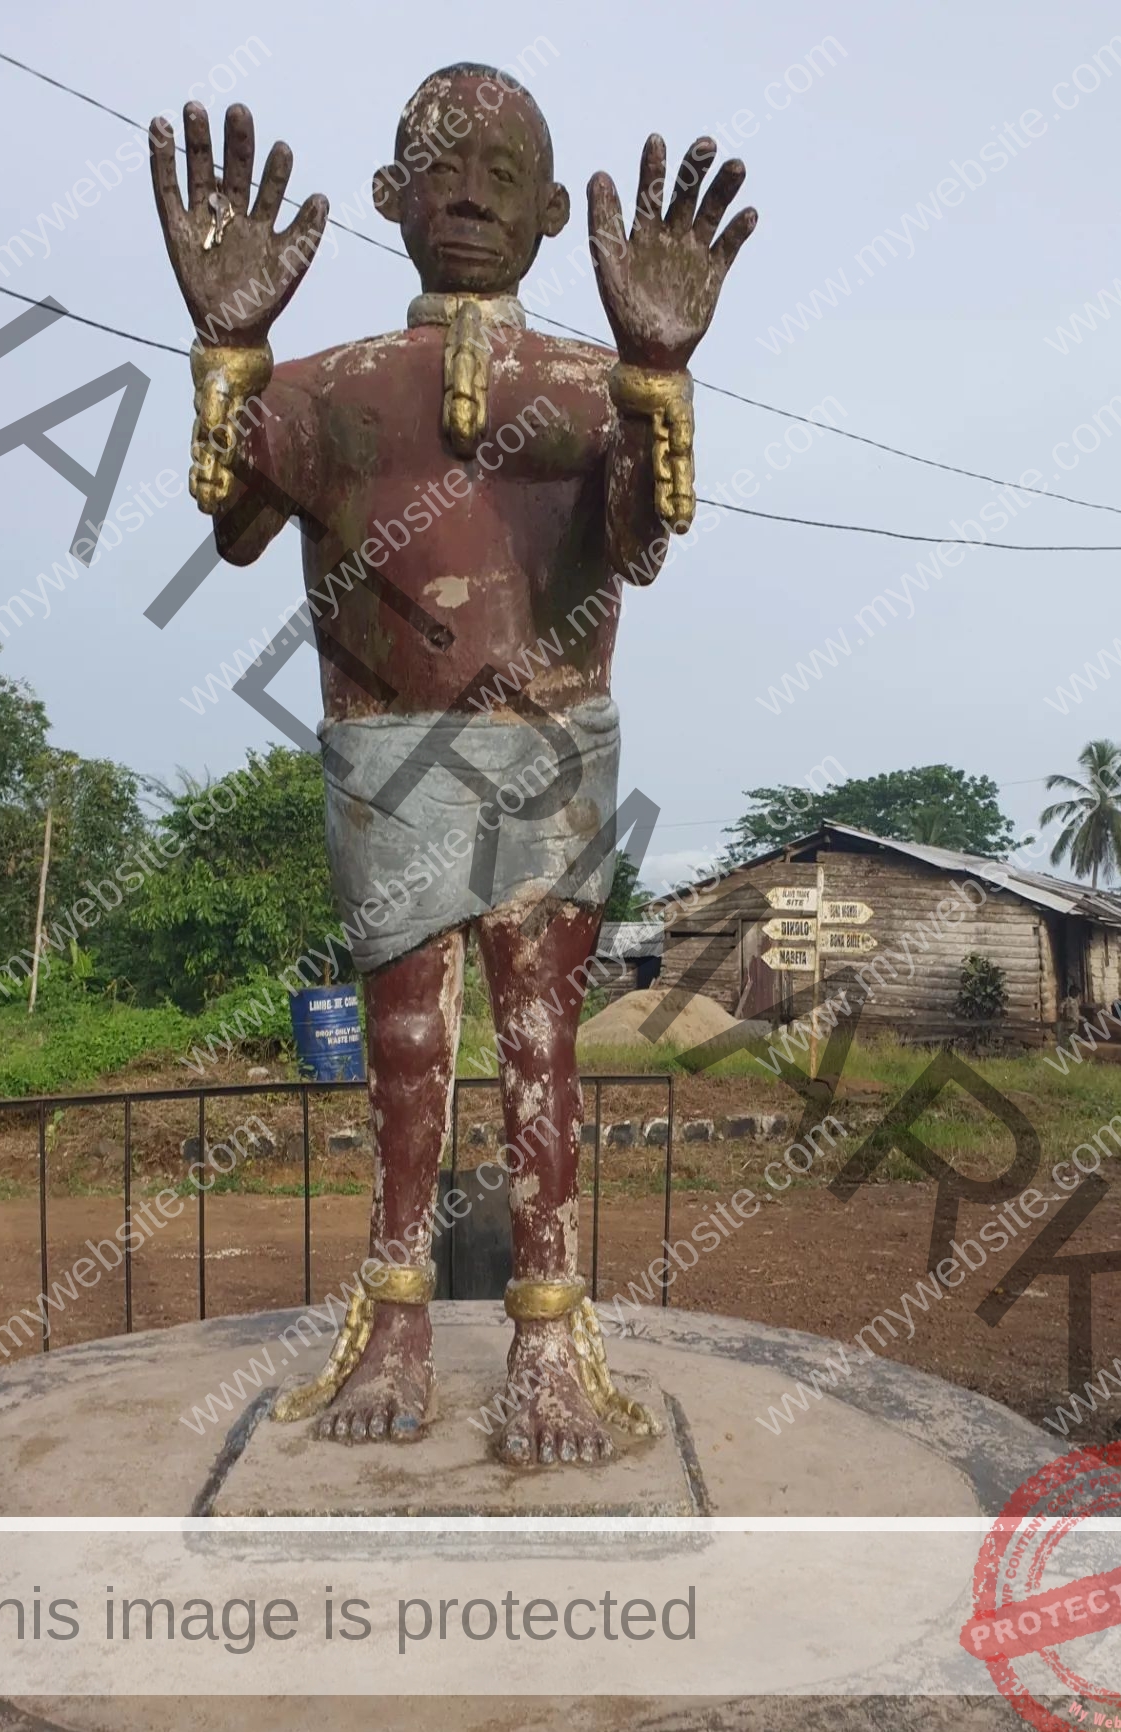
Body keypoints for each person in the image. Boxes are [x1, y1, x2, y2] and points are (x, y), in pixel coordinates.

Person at [148, 66, 756, 1466]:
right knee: (408, 1042)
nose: (469, 191)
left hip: (550, 741)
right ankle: (397, 1318)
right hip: (389, 743)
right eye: (439, 163)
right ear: (388, 197)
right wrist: (231, 347)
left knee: (544, 1041)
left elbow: (638, 538)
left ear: (550, 214)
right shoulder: (331, 385)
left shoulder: (589, 388)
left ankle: (549, 1335)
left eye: (503, 171)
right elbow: (237, 521)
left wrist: (657, 377)